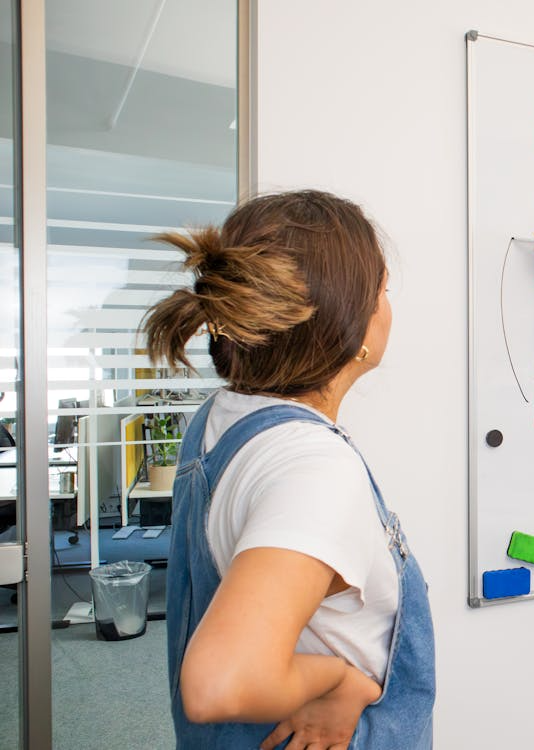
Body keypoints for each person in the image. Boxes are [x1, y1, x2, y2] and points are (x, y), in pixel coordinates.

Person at [143, 190, 435, 749]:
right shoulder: (315, 469)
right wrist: (340, 682)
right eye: (382, 291)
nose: (387, 305)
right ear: (352, 328)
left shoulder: (222, 419)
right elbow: (219, 684)